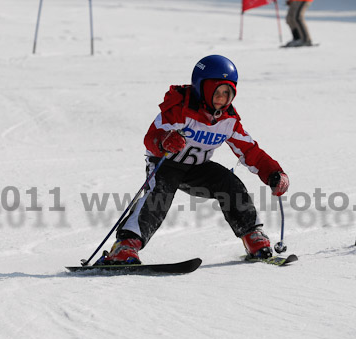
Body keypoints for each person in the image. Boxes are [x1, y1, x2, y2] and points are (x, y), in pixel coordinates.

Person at [98, 55, 289, 265]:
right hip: (166, 165)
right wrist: (164, 142)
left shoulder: (228, 121)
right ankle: (126, 245)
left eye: (228, 92)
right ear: (202, 88)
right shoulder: (179, 109)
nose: (221, 97)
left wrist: (273, 173)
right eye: (216, 91)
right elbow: (150, 137)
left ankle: (253, 237)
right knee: (159, 194)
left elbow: (250, 151)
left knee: (230, 183)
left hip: (198, 169)